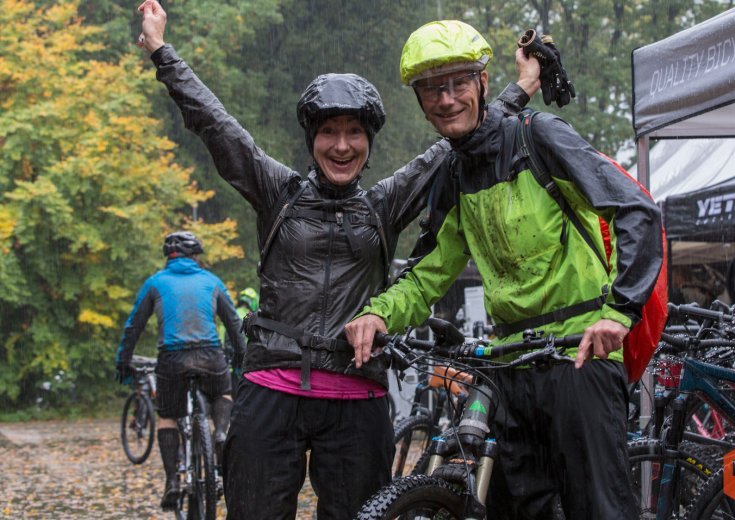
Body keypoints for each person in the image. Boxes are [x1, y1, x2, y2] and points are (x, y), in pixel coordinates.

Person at [133, 2, 540, 518]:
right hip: (271, 387)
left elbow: (456, 142)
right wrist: (160, 50)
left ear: (369, 143)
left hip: (357, 396)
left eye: (355, 134)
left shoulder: (384, 204)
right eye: (329, 132)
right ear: (312, 140)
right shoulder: (276, 191)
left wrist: (522, 85)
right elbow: (215, 124)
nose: (342, 146)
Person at [345, 20, 665, 520]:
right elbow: (428, 272)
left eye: (457, 84)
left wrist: (619, 311)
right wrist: (379, 314)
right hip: (508, 365)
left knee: (600, 509)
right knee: (510, 510)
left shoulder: (538, 137)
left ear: (482, 84)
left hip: (579, 355)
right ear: (421, 101)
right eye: (432, 89)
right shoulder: (453, 172)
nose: (446, 99)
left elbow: (636, 211)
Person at [115, 231, 245, 511]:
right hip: (211, 356)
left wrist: (123, 361)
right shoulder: (211, 281)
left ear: (169, 257)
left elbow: (133, 326)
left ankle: (173, 481)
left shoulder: (155, 282)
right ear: (195, 256)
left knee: (169, 417)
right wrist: (243, 359)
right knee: (223, 394)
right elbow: (234, 323)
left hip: (172, 359)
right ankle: (220, 433)